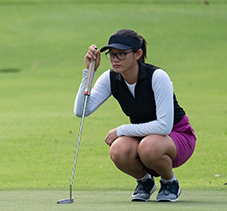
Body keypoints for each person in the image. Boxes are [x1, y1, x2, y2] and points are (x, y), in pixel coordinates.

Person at [73, 29, 196, 202]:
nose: (115, 59)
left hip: (176, 136)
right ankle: (145, 182)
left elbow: (164, 126)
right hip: (143, 136)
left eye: (121, 54)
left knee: (149, 146)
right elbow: (81, 111)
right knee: (118, 150)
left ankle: (170, 183)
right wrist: (89, 72)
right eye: (112, 54)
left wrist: (122, 130)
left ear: (138, 54)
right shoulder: (111, 78)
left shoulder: (157, 76)